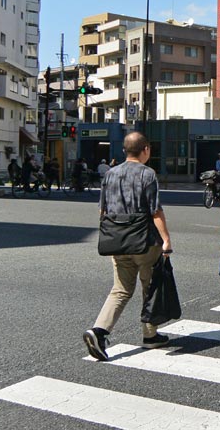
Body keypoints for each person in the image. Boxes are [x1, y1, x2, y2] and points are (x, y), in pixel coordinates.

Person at [83, 131, 173, 362]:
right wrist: (166, 240)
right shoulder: (147, 174)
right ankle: (149, 335)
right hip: (144, 241)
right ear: (146, 150)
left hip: (117, 240)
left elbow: (103, 211)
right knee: (149, 286)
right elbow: (155, 210)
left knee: (121, 289)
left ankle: (99, 331)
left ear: (124, 151)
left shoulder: (110, 174)